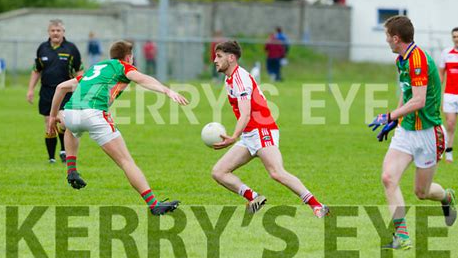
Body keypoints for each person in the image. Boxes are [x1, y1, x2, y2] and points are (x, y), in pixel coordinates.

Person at [47, 40, 189, 216]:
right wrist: (167, 91)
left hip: (71, 113)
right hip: (94, 114)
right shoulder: (123, 66)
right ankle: (154, 204)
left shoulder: (96, 68)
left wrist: (53, 117)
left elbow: (61, 87)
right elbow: (143, 79)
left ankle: (72, 170)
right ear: (129, 57)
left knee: (71, 127)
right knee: (126, 161)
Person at [211, 40, 329, 217]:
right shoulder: (230, 79)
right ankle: (254, 198)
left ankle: (318, 206)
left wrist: (233, 136)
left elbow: (246, 113)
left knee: (277, 172)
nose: (215, 60)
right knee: (219, 172)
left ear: (231, 57)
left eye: (219, 56)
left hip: (262, 130)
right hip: (250, 134)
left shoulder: (240, 78)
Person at [369, 15, 457, 250]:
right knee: (388, 178)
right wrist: (395, 120)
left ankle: (446, 197)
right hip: (407, 131)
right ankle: (402, 237)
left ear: (396, 38)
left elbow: (418, 101)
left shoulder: (417, 60)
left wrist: (388, 115)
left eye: (387, 36)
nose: (386, 40)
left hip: (429, 133)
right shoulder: (402, 59)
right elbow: (406, 92)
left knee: (422, 192)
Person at [27, 19, 83, 163]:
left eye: (58, 30)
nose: (55, 33)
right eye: (53, 30)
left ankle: (64, 149)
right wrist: (30, 90)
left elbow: (79, 70)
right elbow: (36, 70)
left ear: (63, 32)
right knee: (48, 123)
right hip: (46, 91)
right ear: (49, 32)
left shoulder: (71, 49)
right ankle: (51, 158)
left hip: (66, 91)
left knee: (63, 122)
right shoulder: (42, 48)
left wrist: (81, 90)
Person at [438, 27, 458, 163]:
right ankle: (448, 152)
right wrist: (438, 92)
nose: (456, 39)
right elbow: (441, 74)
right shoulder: (446, 53)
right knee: (450, 125)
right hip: (450, 94)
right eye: (454, 36)